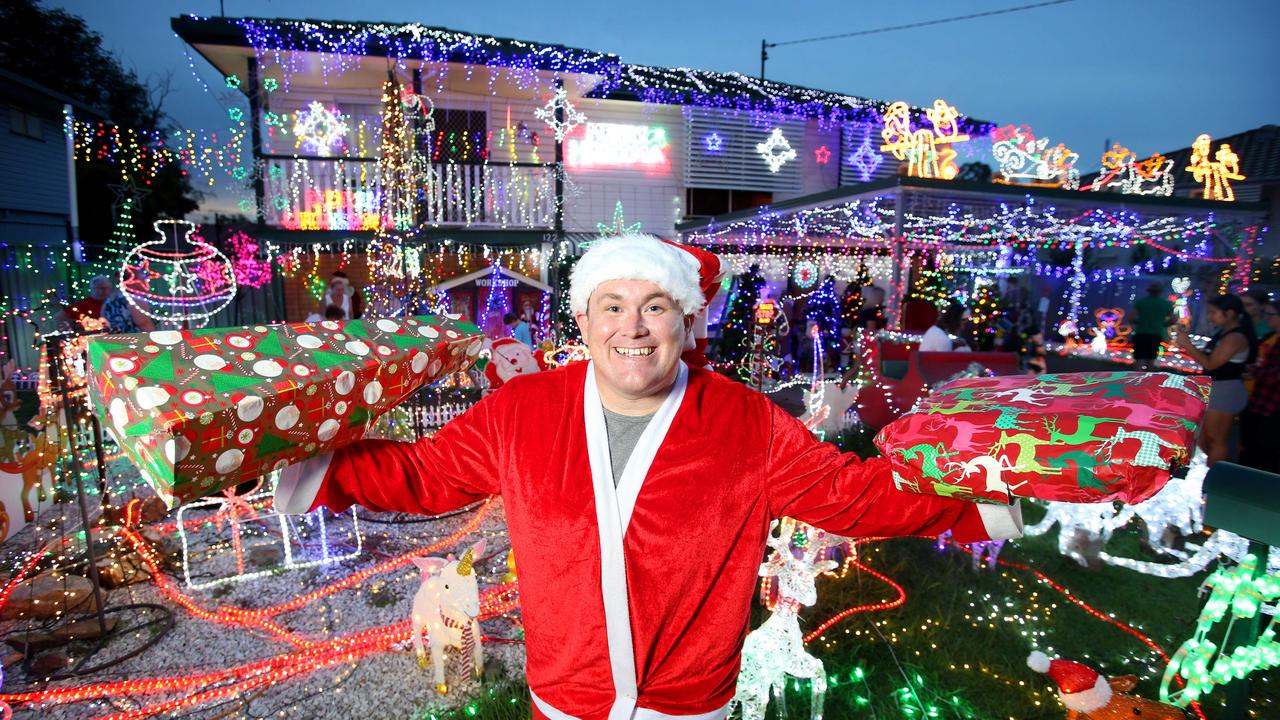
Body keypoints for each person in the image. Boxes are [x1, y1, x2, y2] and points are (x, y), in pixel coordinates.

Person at [276, 234, 1022, 719]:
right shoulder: (523, 409)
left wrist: (991, 483)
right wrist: (298, 456)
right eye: (613, 306)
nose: (632, 327)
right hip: (566, 699)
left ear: (685, 323)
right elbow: (424, 475)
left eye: (655, 307)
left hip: (690, 703)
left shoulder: (744, 420)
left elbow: (850, 495)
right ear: (585, 318)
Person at [1174, 294, 1257, 465]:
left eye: (1213, 312)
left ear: (1231, 313)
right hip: (1217, 388)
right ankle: (1206, 474)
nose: (1210, 316)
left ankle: (1214, 479)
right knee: (1203, 437)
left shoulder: (1235, 337)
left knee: (1216, 438)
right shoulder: (1226, 333)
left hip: (1224, 391)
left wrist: (1187, 345)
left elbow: (1211, 364)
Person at [1240, 299, 1280, 472]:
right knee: (1251, 447)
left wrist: (1253, 372)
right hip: (1259, 400)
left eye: (1271, 314)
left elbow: (1275, 373)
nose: (1266, 318)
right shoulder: (1271, 337)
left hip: (1271, 406)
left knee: (1263, 453)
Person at [1131, 282, 1175, 371]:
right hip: (1156, 334)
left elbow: (1131, 318)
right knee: (1151, 359)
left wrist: (1141, 322)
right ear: (1160, 292)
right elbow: (1174, 319)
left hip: (1141, 333)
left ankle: (1136, 380)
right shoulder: (1166, 304)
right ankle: (1148, 381)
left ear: (1149, 291)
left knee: (1139, 359)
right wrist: (1163, 324)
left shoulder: (1141, 302)